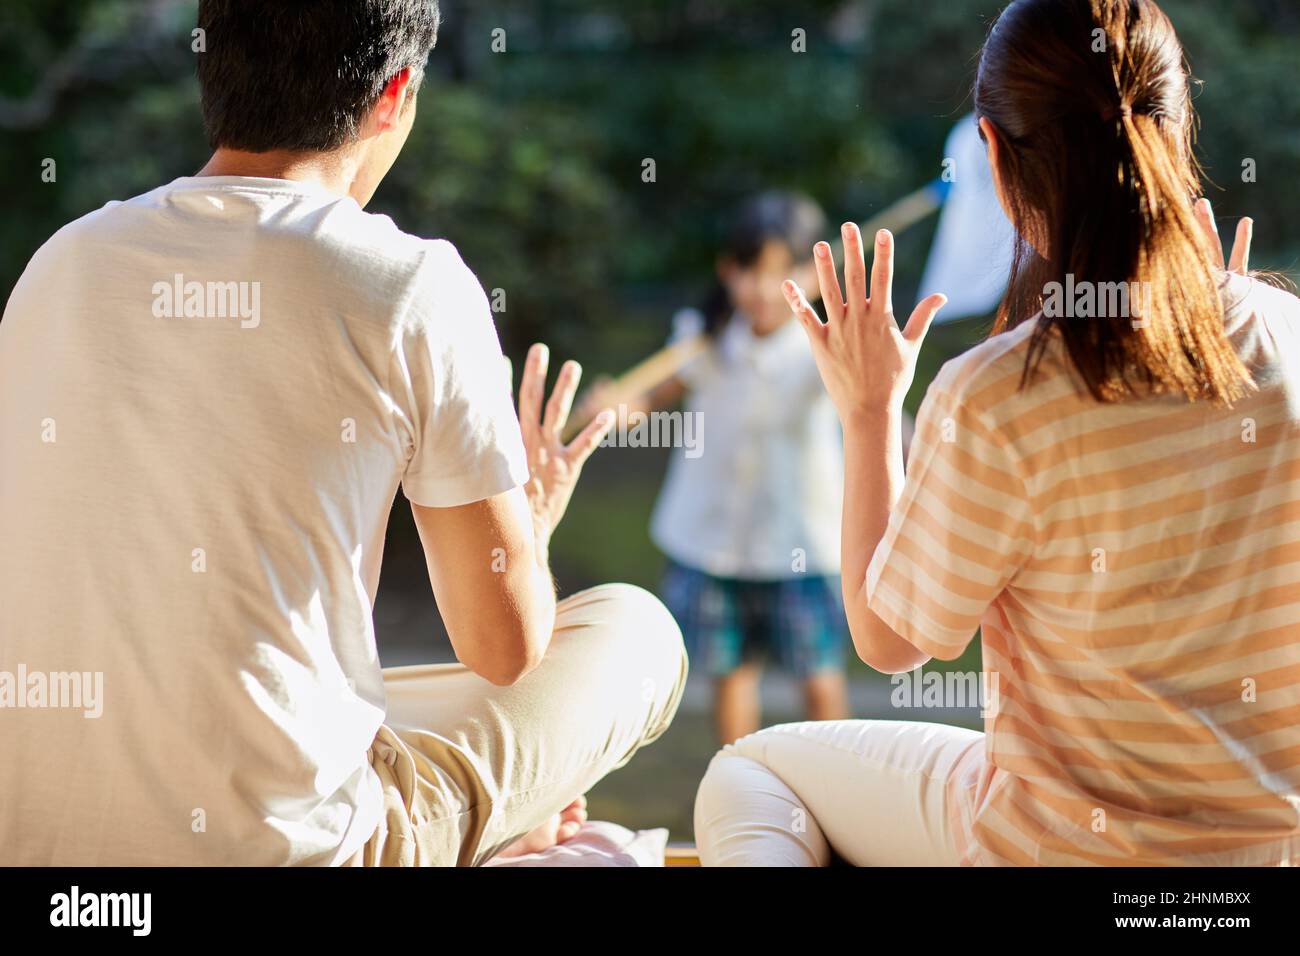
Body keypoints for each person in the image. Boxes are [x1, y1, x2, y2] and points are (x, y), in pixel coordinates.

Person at [0, 0, 686, 866]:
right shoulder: (409, 286)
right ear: (394, 93)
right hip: (296, 852)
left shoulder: (61, 262)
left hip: (39, 848)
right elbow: (505, 650)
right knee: (639, 629)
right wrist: (530, 538)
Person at [695, 0, 1300, 866]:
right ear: (1176, 127)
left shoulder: (999, 395)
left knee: (748, 772)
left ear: (991, 152)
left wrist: (868, 415)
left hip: (1053, 850)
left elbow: (891, 639)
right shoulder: (1289, 336)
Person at [585, 192, 852, 744]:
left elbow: (875, 407)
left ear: (816, 275)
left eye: (785, 272)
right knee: (730, 673)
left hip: (803, 545)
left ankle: (838, 787)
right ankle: (743, 781)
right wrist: (616, 410)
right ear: (728, 270)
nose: (763, 289)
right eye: (751, 271)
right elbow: (650, 398)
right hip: (713, 541)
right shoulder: (703, 342)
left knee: (820, 677)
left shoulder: (828, 348)